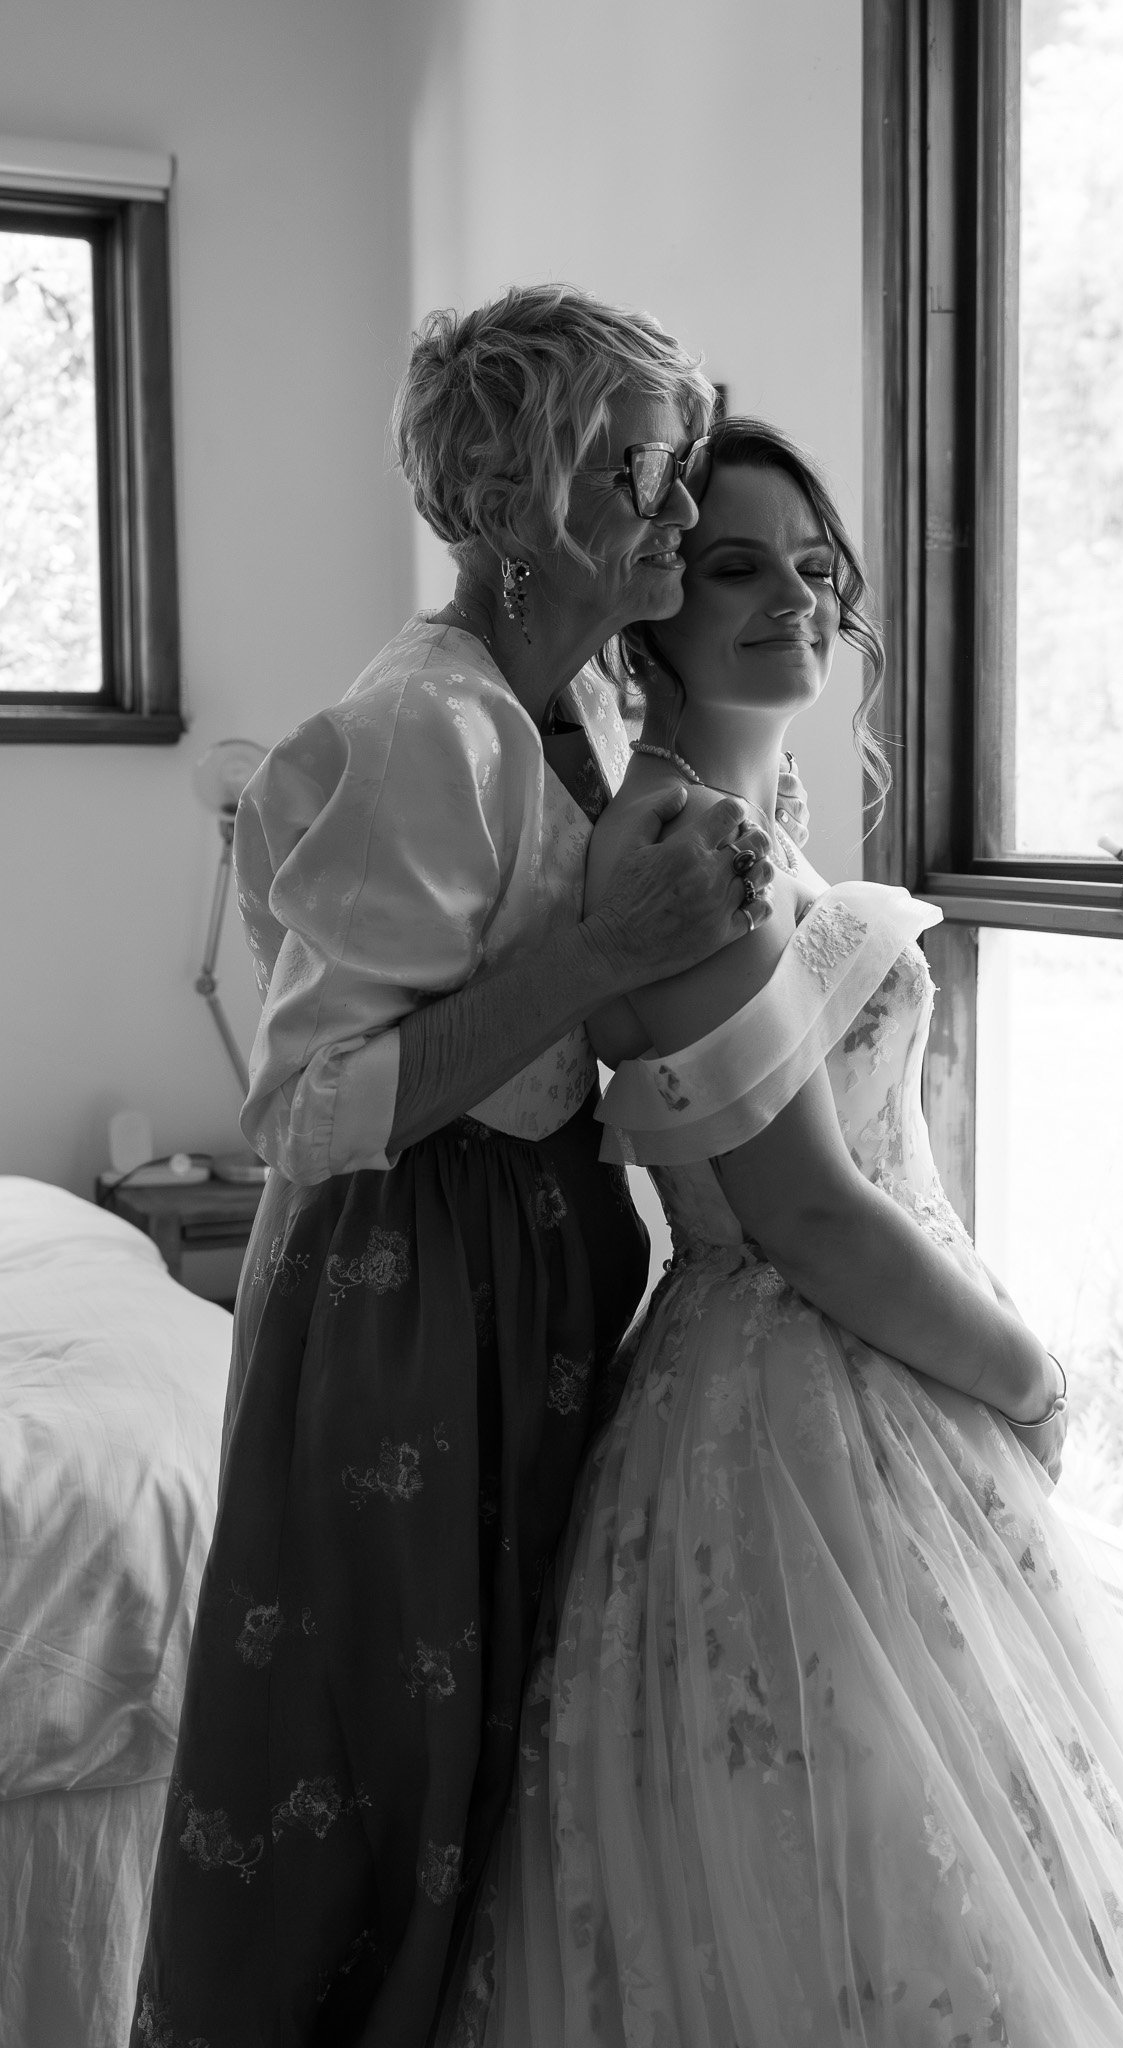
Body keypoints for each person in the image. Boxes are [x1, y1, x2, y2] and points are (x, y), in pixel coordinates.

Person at [444, 418, 1123, 2046]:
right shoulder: (688, 851)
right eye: (733, 566)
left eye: (814, 569)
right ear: (649, 608)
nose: (792, 597)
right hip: (799, 1398)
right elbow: (808, 1214)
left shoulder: (726, 821)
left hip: (826, 1376)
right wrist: (1031, 1376)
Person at [131, 288, 801, 2047]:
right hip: (407, 1293)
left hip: (526, 1266)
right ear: (518, 502)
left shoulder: (565, 699)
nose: (679, 508)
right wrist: (600, 952)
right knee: (377, 1771)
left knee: (488, 1750)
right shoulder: (421, 730)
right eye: (647, 469)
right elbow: (311, 1108)